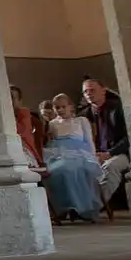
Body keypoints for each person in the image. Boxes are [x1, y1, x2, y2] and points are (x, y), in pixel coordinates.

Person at [42, 93, 102, 221]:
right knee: (55, 171)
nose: (60, 110)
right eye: (57, 108)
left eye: (63, 107)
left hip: (80, 154)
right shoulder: (53, 124)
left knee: (72, 170)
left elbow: (89, 141)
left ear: (71, 107)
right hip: (59, 154)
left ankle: (80, 207)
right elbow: (50, 143)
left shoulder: (81, 121)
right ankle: (62, 207)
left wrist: (93, 157)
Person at [79, 78, 130, 206]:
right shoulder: (83, 116)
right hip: (95, 155)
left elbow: (129, 137)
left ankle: (95, 205)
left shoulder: (118, 108)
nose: (89, 94)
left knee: (110, 167)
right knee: (78, 169)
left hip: (121, 153)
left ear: (103, 91)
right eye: (86, 92)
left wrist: (109, 154)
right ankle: (77, 205)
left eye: (92, 90)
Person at [11, 86, 43, 167]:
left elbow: (23, 133)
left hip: (25, 153)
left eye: (12, 98)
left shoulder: (28, 118)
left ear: (20, 101)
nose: (9, 101)